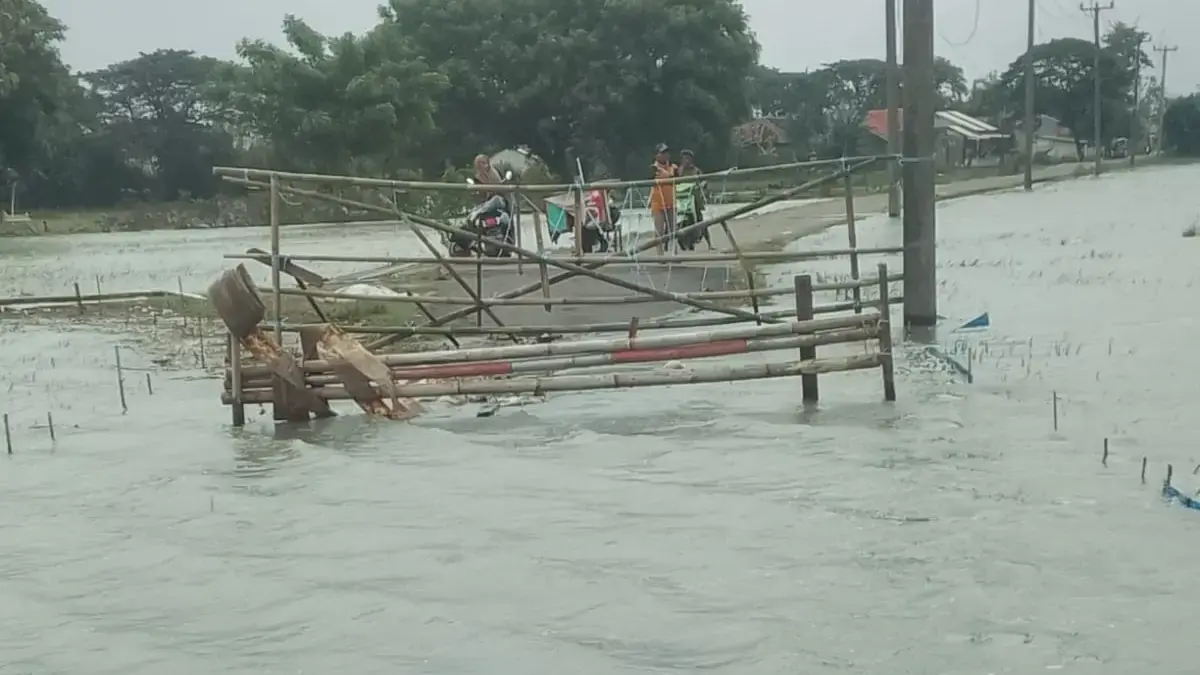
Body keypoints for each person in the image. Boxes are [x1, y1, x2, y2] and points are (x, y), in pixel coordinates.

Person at [677, 149, 713, 250]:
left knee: (701, 221)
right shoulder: (679, 171)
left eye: (688, 158)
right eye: (684, 158)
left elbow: (704, 181)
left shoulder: (696, 171)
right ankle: (685, 243)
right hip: (683, 201)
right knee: (682, 222)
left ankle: (709, 244)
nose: (686, 161)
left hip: (695, 200)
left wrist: (701, 187)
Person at [648, 143, 678, 254]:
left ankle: (674, 253)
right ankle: (660, 256)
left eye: (666, 152)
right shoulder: (653, 168)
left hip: (671, 201)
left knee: (673, 230)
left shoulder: (673, 167)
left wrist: (666, 173)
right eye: (662, 153)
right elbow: (649, 179)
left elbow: (676, 178)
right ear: (656, 155)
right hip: (658, 203)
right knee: (659, 231)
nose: (665, 155)